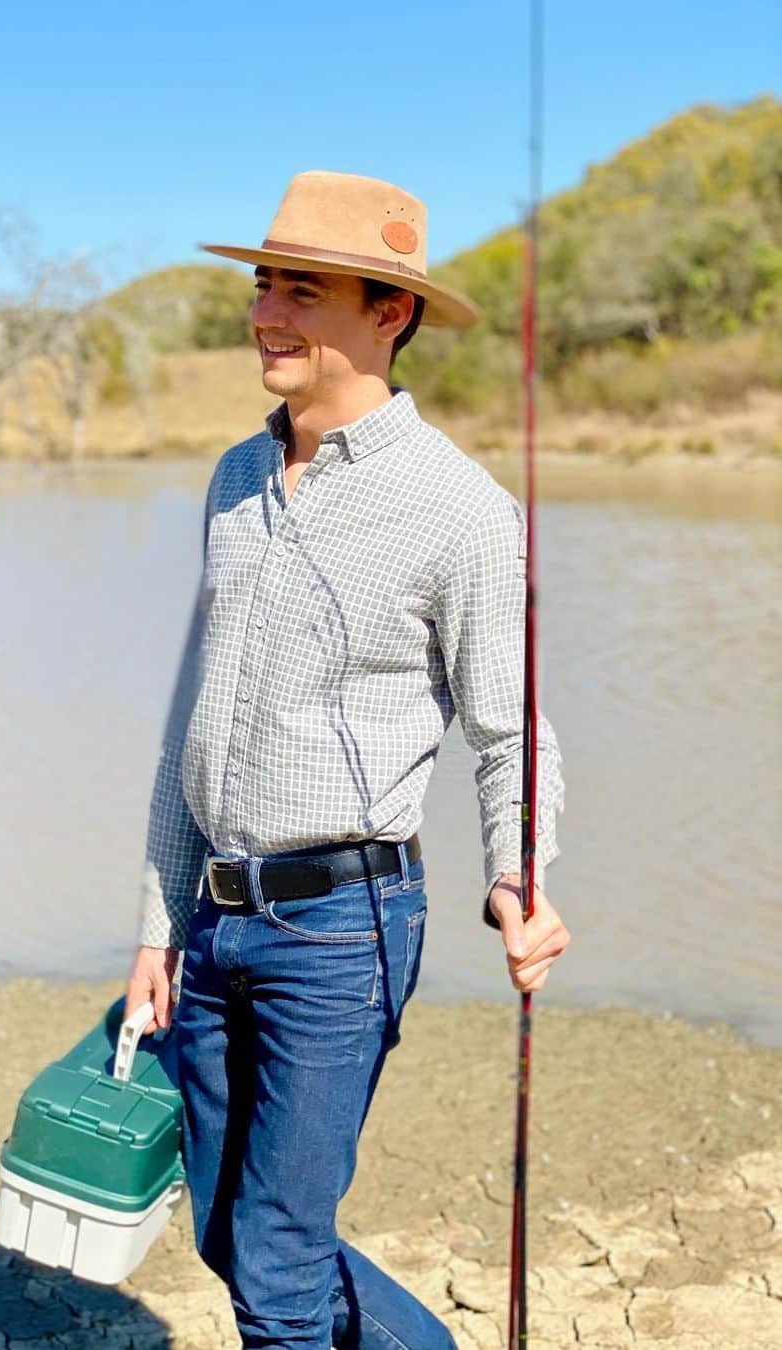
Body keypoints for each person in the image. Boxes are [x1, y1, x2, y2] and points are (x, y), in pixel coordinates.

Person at [124, 170, 570, 1349]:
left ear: (390, 313)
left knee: (275, 1268)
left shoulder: (463, 509)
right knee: (231, 1227)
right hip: (214, 917)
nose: (265, 313)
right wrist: (158, 923)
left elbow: (510, 724)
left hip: (344, 927)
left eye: (300, 291)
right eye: (264, 285)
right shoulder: (231, 478)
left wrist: (524, 874)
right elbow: (191, 714)